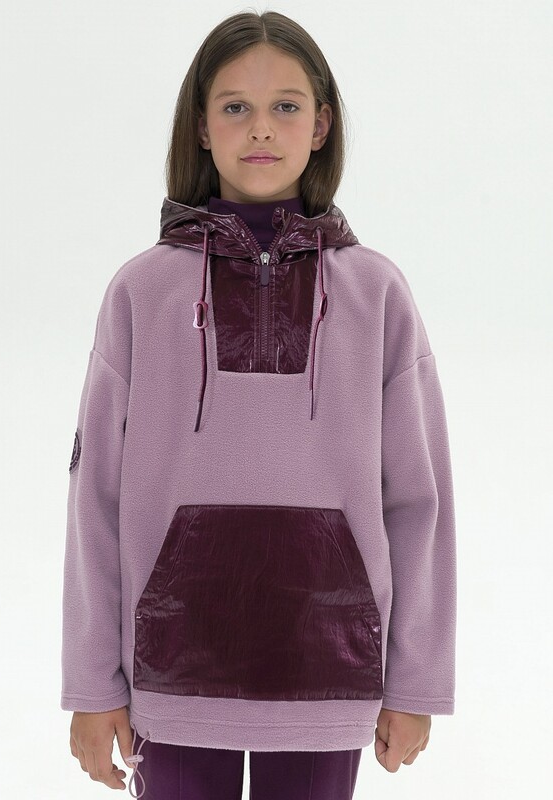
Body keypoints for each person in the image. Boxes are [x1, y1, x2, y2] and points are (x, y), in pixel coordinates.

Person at [60, 9, 457, 800]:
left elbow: (419, 500)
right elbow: (95, 499)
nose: (261, 128)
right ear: (201, 127)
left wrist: (418, 682)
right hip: (172, 665)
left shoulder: (377, 292)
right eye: (236, 106)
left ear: (321, 125)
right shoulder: (141, 291)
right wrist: (91, 684)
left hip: (328, 666)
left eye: (286, 105)